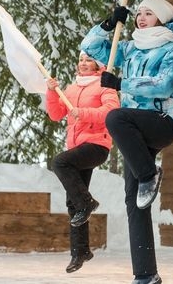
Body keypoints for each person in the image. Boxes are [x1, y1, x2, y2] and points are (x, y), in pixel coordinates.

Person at [80, 0, 173, 284]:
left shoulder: (171, 50)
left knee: (114, 117)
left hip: (160, 121)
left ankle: (150, 174)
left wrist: (121, 84)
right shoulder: (129, 49)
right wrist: (108, 24)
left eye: (148, 13)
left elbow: (165, 84)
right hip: (134, 131)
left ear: (162, 19)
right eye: (139, 13)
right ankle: (146, 274)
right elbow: (90, 48)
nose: (141, 17)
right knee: (134, 199)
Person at [45, 51, 120, 273]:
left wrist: (83, 113)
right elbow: (56, 114)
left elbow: (111, 111)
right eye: (80, 60)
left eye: (88, 60)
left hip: (96, 145)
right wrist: (51, 92)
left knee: (59, 162)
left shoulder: (105, 84)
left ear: (97, 64)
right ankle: (81, 251)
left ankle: (87, 203)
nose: (83, 63)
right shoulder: (71, 88)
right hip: (76, 147)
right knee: (73, 203)